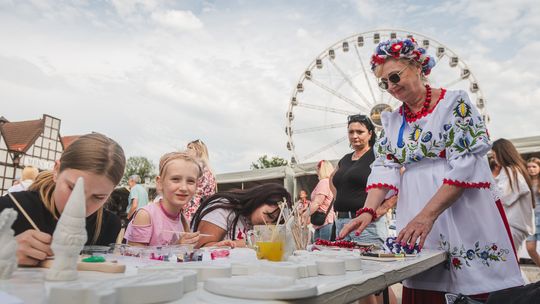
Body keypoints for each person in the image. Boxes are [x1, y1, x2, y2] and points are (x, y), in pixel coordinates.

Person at [339, 37, 523, 303]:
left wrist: (427, 215)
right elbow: (385, 165)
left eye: (394, 76)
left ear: (417, 66)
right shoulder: (392, 121)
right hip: (415, 206)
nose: (390, 87)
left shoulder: (454, 105)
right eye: (384, 83)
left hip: (459, 205)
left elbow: (466, 163)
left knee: (471, 277)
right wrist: (368, 210)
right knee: (426, 277)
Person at [0, 133, 126, 266]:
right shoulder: (9, 208)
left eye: (98, 197)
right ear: (57, 170)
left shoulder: (108, 226)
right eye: (73, 188)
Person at [331, 114, 397, 304]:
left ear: (370, 133)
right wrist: (340, 199)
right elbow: (333, 180)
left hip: (367, 225)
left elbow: (400, 179)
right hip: (343, 222)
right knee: (356, 280)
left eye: (359, 131)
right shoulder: (344, 159)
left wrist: (383, 208)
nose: (354, 136)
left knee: (376, 280)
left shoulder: (377, 155)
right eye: (351, 132)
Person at [124, 152, 201, 247]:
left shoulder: (183, 219)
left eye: (190, 181)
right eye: (175, 179)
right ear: (160, 182)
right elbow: (134, 258)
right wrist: (176, 247)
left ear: (197, 186)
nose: (184, 188)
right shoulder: (145, 216)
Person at [191, 183, 291, 248]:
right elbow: (200, 248)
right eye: (269, 216)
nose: (268, 225)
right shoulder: (224, 208)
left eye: (274, 223)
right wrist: (251, 242)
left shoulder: (253, 220)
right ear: (258, 200)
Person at [492, 139, 535, 253]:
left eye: (494, 155)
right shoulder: (514, 169)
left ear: (502, 153)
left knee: (506, 264)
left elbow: (503, 197)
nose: (493, 158)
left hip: (512, 225)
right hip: (514, 225)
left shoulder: (511, 170)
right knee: (510, 263)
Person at [184, 139, 217, 223]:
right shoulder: (210, 171)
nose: (186, 150)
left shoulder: (197, 168)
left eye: (190, 148)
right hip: (203, 213)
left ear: (198, 150)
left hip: (191, 212)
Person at [307, 160, 334, 241]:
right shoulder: (329, 182)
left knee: (321, 249)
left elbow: (317, 202)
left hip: (324, 221)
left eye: (317, 169)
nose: (316, 171)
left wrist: (306, 214)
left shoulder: (324, 182)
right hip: (324, 221)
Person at [525, 157, 540, 267]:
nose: (531, 169)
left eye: (534, 166)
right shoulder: (524, 181)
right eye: (529, 167)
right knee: (530, 249)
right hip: (530, 218)